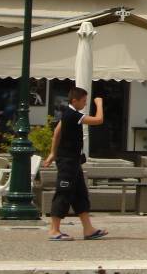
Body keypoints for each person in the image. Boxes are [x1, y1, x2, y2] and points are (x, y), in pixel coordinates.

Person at [44, 88, 108, 241]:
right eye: (84, 101)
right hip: (67, 161)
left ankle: (88, 229)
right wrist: (99, 103)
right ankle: (54, 230)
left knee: (80, 194)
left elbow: (57, 132)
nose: (85, 103)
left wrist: (52, 153)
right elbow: (99, 120)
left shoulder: (67, 114)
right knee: (63, 193)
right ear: (75, 101)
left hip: (74, 161)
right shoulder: (72, 115)